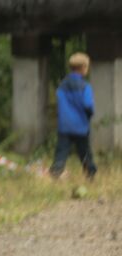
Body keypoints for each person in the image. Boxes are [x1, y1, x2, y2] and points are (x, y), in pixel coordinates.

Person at [52, 51, 98, 179]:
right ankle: (90, 174)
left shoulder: (62, 85)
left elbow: (59, 102)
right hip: (80, 126)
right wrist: (90, 114)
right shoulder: (85, 86)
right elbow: (88, 105)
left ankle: (56, 171)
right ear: (83, 68)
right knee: (85, 152)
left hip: (64, 125)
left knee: (61, 152)